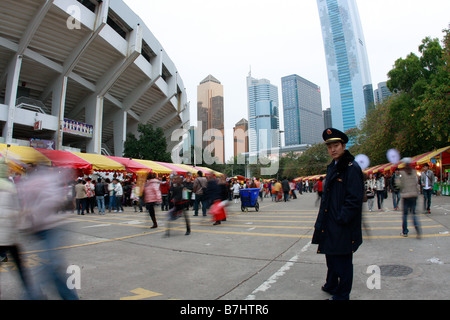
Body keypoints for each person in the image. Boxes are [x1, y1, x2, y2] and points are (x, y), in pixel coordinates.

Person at [312, 128, 364, 300]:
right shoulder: (333, 167)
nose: (333, 149)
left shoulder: (351, 167)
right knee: (331, 258)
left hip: (342, 225)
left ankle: (342, 295)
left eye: (336, 145)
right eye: (330, 147)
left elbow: (354, 199)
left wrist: (342, 218)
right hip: (330, 222)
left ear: (343, 146)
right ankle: (332, 284)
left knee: (343, 262)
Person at [0, 159, 38, 299]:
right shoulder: (9, 188)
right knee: (20, 266)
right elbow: (12, 211)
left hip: (7, 236)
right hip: (8, 236)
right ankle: (31, 293)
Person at [398, 158, 421, 238]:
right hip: (414, 195)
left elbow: (398, 185)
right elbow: (417, 183)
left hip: (405, 196)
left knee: (405, 214)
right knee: (413, 213)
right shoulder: (414, 172)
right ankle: (417, 229)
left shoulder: (401, 173)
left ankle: (405, 232)